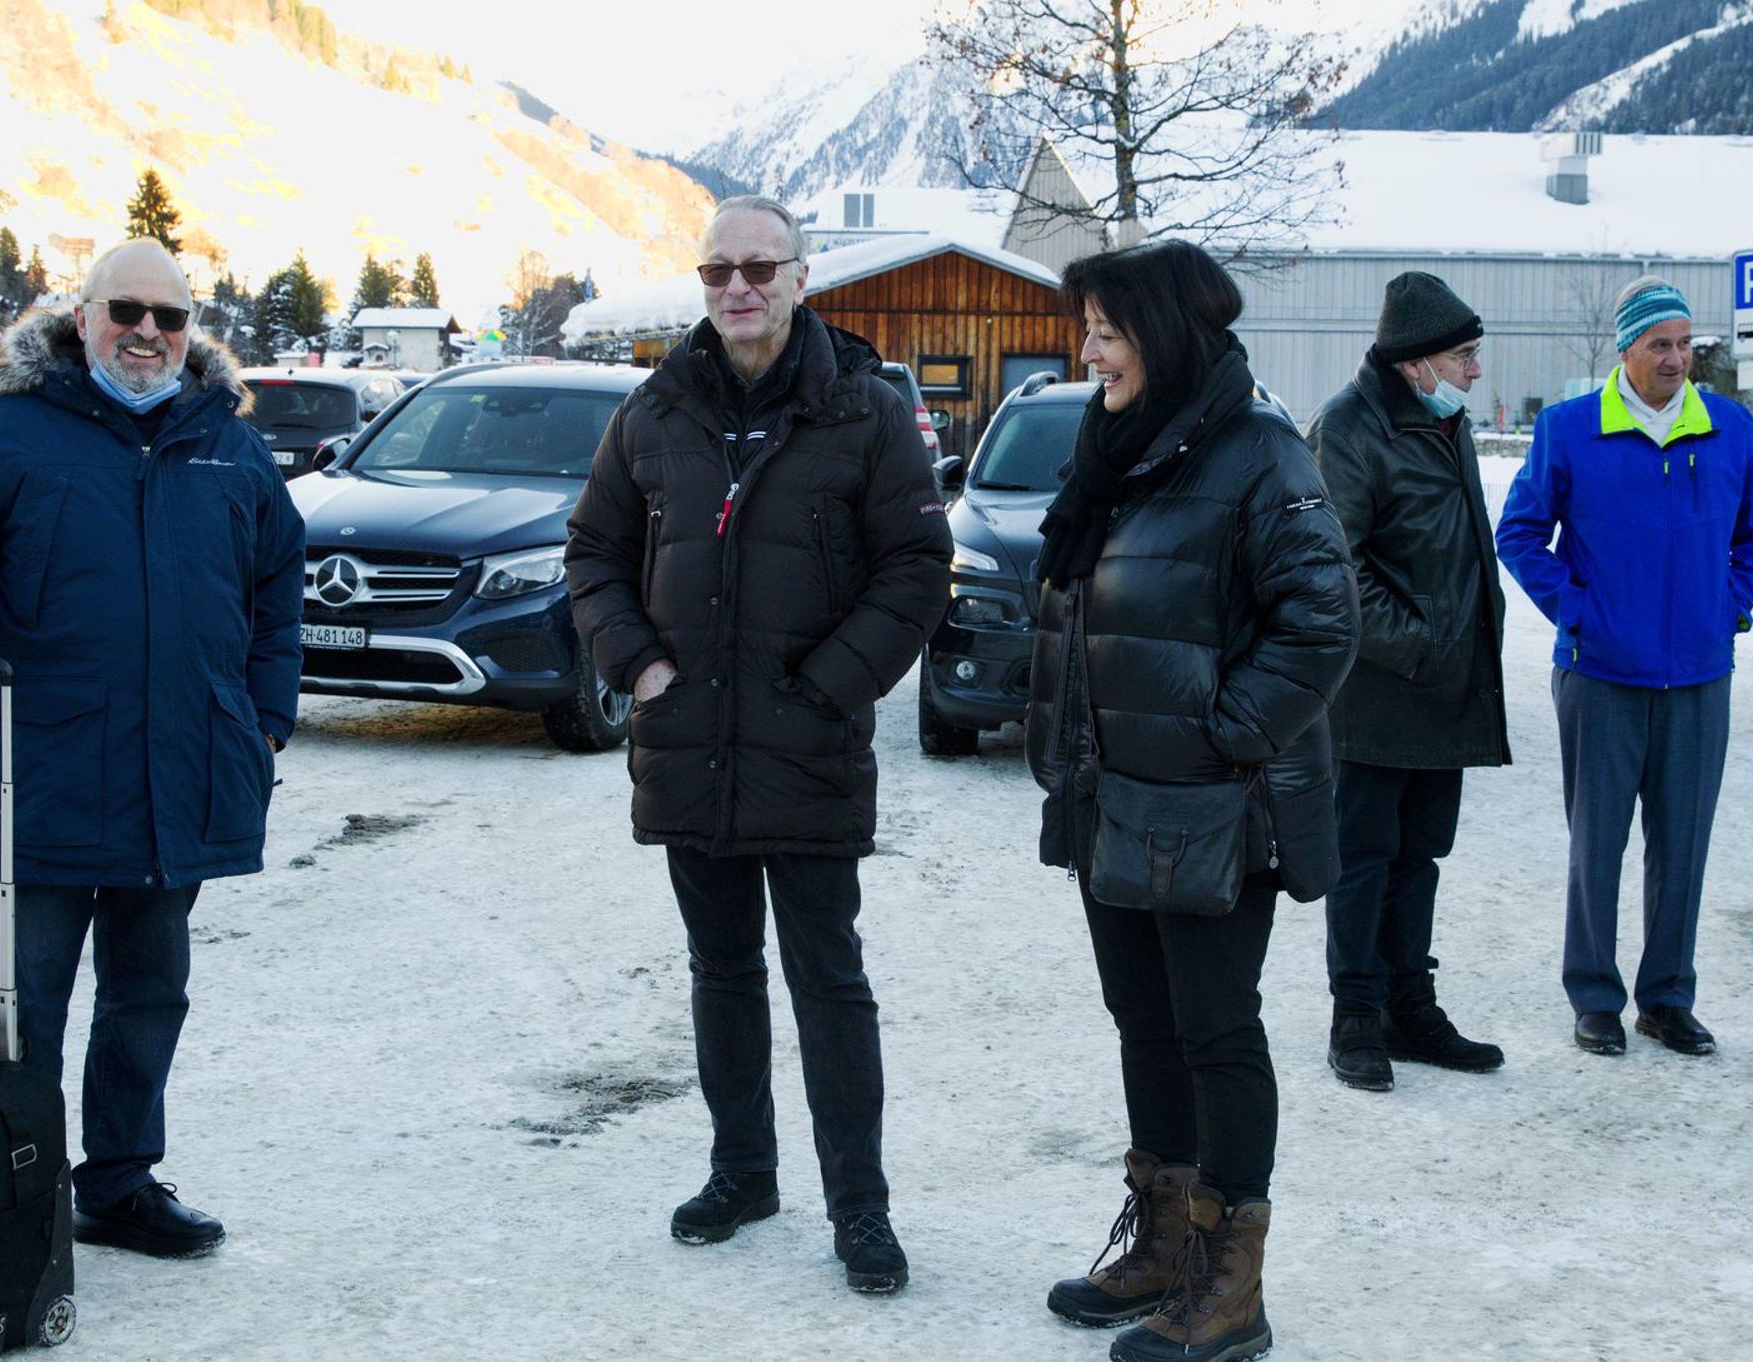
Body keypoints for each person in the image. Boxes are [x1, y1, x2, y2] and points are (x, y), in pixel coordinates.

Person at [0, 238, 304, 1257]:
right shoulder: (4, 431)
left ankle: (118, 1183)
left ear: (190, 330)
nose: (147, 332)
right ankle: (13, 1193)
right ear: (83, 318)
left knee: (148, 994)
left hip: (182, 771)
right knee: (21, 1005)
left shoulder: (228, 446)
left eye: (169, 316)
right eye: (126, 311)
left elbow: (275, 590)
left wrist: (263, 722)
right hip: (40, 774)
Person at [564, 196, 950, 1294]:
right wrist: (638, 665)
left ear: (799, 276)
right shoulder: (653, 412)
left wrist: (831, 686)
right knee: (721, 970)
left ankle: (860, 1208)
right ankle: (742, 1172)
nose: (737, 287)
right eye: (716, 270)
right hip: (690, 746)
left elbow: (917, 568)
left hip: (807, 746)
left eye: (758, 268)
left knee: (828, 978)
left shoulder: (864, 411)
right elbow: (592, 551)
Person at [1028, 240, 1357, 1362]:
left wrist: (1225, 734)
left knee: (1214, 1029)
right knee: (1144, 1021)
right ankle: (1165, 1245)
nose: (1089, 353)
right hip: (1112, 793)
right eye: (1086, 330)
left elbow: (1322, 621)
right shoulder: (1117, 447)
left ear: (1164, 338)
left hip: (1213, 805)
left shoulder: (1258, 450)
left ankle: (1230, 1286)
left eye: (1107, 333)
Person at [1495, 275, 1753, 1058]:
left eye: (1685, 344)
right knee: (1597, 845)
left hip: (1698, 676)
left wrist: (1725, 606)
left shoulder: (1727, 428)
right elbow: (1519, 533)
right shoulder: (1570, 430)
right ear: (1626, 349)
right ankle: (1594, 997)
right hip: (1599, 675)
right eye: (1660, 344)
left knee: (1682, 846)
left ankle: (1667, 999)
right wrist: (1579, 612)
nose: (1676, 359)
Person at [1305, 272, 1510, 1093]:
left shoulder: (1441, 420)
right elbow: (1337, 568)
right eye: (1464, 357)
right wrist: (1422, 645)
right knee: (1363, 858)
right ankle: (1355, 1013)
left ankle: (1409, 1007)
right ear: (1416, 361)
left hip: (1441, 690)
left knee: (1420, 855)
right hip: (1377, 690)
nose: (1475, 372)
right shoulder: (1351, 427)